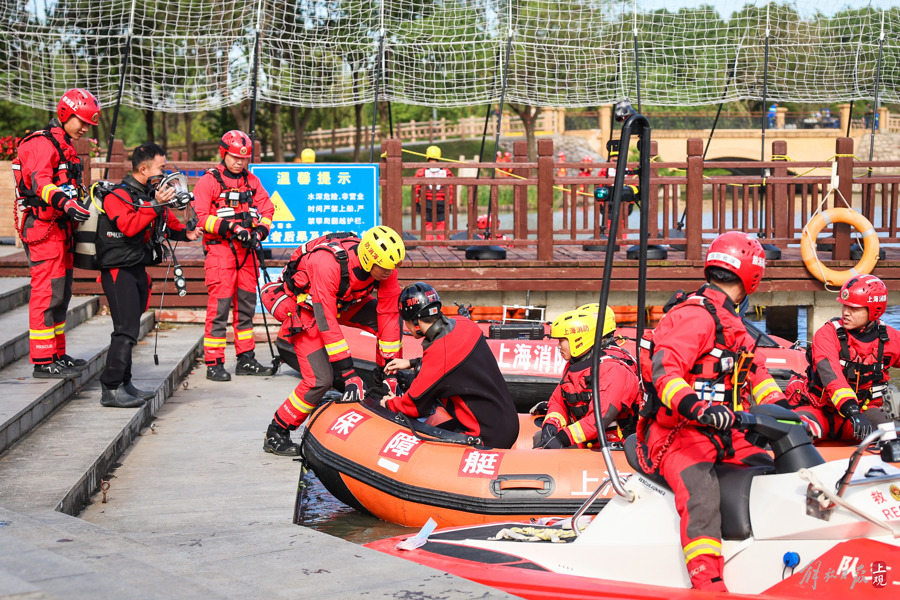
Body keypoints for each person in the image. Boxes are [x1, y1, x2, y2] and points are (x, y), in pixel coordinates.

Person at [636, 231, 787, 591]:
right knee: (701, 495)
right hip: (678, 434)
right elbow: (666, 372)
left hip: (725, 433)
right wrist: (698, 408)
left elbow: (758, 377)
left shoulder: (733, 325)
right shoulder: (696, 317)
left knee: (773, 474)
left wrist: (789, 415)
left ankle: (766, 562)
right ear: (753, 277)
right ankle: (708, 584)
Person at [263, 226, 406, 456]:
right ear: (369, 260)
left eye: (394, 266)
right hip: (306, 307)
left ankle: (380, 384)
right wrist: (348, 374)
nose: (390, 272)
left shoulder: (387, 268)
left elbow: (389, 316)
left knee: (387, 322)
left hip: (342, 301)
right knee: (319, 379)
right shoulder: (327, 264)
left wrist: (391, 373)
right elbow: (326, 321)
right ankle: (277, 431)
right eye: (385, 268)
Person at [96, 143, 201, 407]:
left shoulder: (150, 195)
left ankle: (125, 383)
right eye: (161, 168)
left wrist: (187, 234)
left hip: (137, 267)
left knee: (131, 328)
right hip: (118, 270)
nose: (164, 174)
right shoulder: (118, 195)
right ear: (143, 169)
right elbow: (129, 226)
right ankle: (111, 388)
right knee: (125, 329)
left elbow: (166, 225)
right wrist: (155, 204)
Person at [13, 89, 99, 378]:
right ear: (66, 114)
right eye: (82, 122)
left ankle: (57, 353)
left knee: (61, 293)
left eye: (89, 124)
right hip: (43, 229)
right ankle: (42, 360)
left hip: (62, 230)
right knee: (46, 293)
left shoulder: (66, 146)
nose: (85, 128)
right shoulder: (41, 144)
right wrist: (66, 203)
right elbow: (41, 183)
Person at [380, 282, 519, 449]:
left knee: (422, 448)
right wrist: (412, 363)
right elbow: (450, 362)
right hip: (506, 423)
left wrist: (389, 403)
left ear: (415, 321)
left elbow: (414, 406)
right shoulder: (464, 324)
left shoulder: (439, 353)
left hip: (487, 436)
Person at [193, 130, 276, 381]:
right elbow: (201, 218)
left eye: (244, 158)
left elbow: (267, 209)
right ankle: (214, 363)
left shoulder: (252, 181)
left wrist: (260, 231)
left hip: (247, 253)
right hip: (221, 253)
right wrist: (232, 228)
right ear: (224, 153)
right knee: (219, 309)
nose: (240, 162)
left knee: (247, 307)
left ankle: (246, 359)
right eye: (235, 157)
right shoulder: (208, 182)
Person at [790, 275, 899, 442]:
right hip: (820, 410)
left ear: (874, 310)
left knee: (889, 434)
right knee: (796, 432)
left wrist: (857, 412)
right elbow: (831, 376)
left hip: (864, 412)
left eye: (854, 308)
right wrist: (852, 410)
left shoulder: (890, 338)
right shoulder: (827, 334)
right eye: (845, 305)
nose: (845, 312)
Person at [536, 306, 640, 449]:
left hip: (616, 445)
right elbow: (559, 401)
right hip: (589, 440)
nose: (558, 346)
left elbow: (601, 416)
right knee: (539, 438)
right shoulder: (574, 366)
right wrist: (551, 423)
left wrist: (564, 437)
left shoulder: (613, 369)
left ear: (578, 340)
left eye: (561, 341)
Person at [413, 146, 454, 240]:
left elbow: (415, 188)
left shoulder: (422, 171)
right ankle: (443, 244)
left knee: (427, 225)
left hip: (427, 202)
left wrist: (416, 202)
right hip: (442, 202)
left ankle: (428, 245)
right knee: (442, 225)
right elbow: (451, 188)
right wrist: (450, 203)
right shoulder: (446, 171)